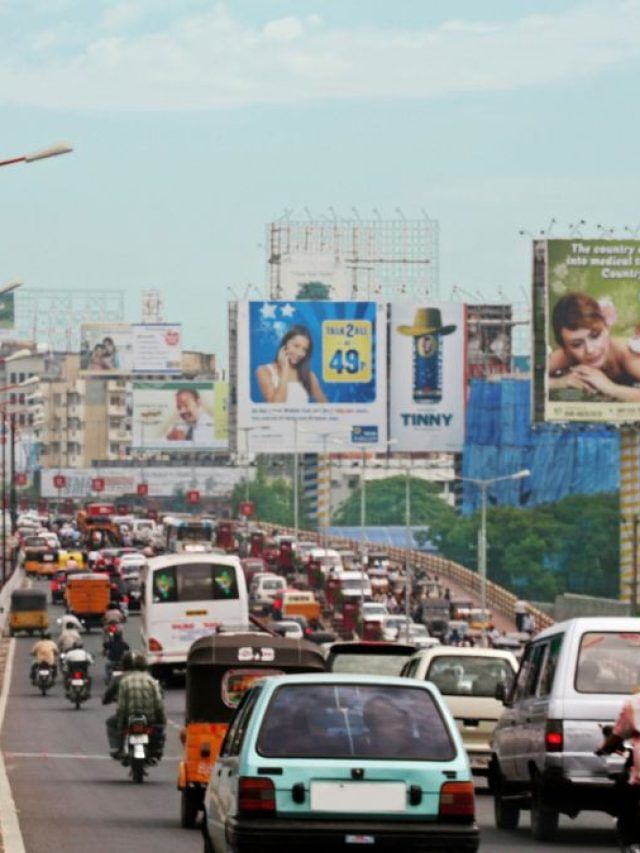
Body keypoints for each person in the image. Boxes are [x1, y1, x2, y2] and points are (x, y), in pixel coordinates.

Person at [548, 292, 640, 401]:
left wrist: (611, 388)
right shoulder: (567, 356)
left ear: (607, 327)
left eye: (595, 336)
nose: (590, 349)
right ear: (565, 348)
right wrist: (560, 382)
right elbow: (531, 377)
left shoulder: (627, 354)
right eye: (577, 344)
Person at [597, 690, 640, 851]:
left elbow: (617, 735)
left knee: (623, 791)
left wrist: (604, 748)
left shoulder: (635, 703)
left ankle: (630, 840)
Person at [104, 652, 166, 759]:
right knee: (159, 727)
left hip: (129, 716)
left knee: (111, 723)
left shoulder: (124, 680)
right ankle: (157, 748)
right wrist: (161, 718)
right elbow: (159, 701)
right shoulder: (150, 680)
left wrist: (120, 723)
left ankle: (117, 748)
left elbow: (121, 706)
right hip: (149, 716)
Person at [256, 325, 327, 405]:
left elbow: (326, 407)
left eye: (304, 349)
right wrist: (285, 370)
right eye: (296, 346)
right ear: (285, 343)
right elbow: (276, 408)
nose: (300, 353)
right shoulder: (264, 371)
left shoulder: (308, 375)